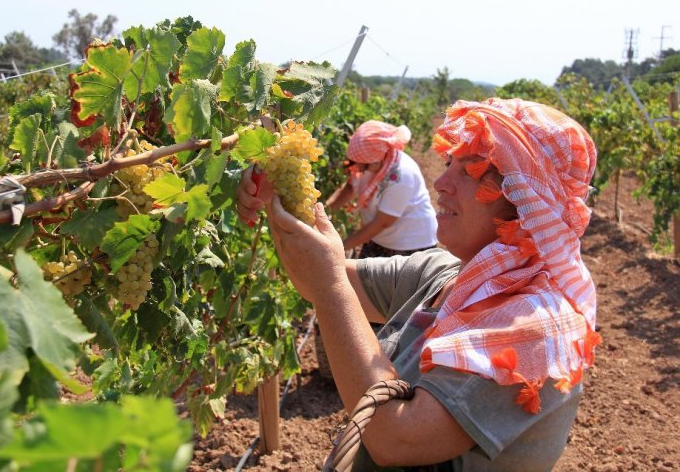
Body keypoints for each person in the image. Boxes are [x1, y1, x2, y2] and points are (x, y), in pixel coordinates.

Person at [236, 98, 600, 471]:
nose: (441, 183)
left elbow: (394, 438)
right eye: (448, 164)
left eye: (470, 171)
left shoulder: (533, 326)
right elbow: (316, 279)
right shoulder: (444, 273)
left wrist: (330, 285)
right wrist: (281, 199)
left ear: (527, 199)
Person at [325, 120, 438, 258]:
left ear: (379, 158)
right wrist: (325, 213)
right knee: (364, 276)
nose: (359, 169)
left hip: (410, 244)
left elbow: (382, 222)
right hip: (379, 236)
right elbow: (349, 188)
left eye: (364, 166)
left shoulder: (401, 175)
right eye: (356, 163)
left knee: (386, 278)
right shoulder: (365, 162)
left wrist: (339, 248)